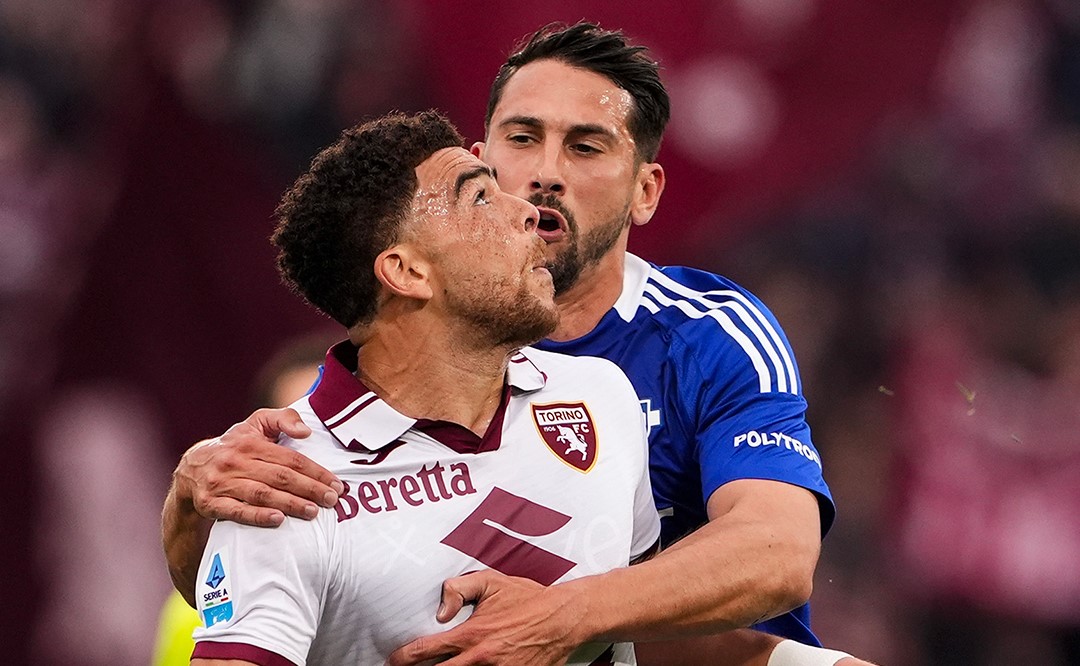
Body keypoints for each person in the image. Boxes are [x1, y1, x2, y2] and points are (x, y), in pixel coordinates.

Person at [165, 23, 869, 665]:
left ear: (645, 192)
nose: (543, 177)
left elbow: (771, 555)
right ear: (479, 161)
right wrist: (190, 503)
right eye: (522, 139)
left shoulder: (661, 361)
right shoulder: (351, 408)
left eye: (586, 147)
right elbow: (270, 574)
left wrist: (564, 618)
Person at [181, 110, 661, 665]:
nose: (526, 210)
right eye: (480, 198)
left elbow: (652, 630)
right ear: (407, 272)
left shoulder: (598, 395)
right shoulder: (288, 488)